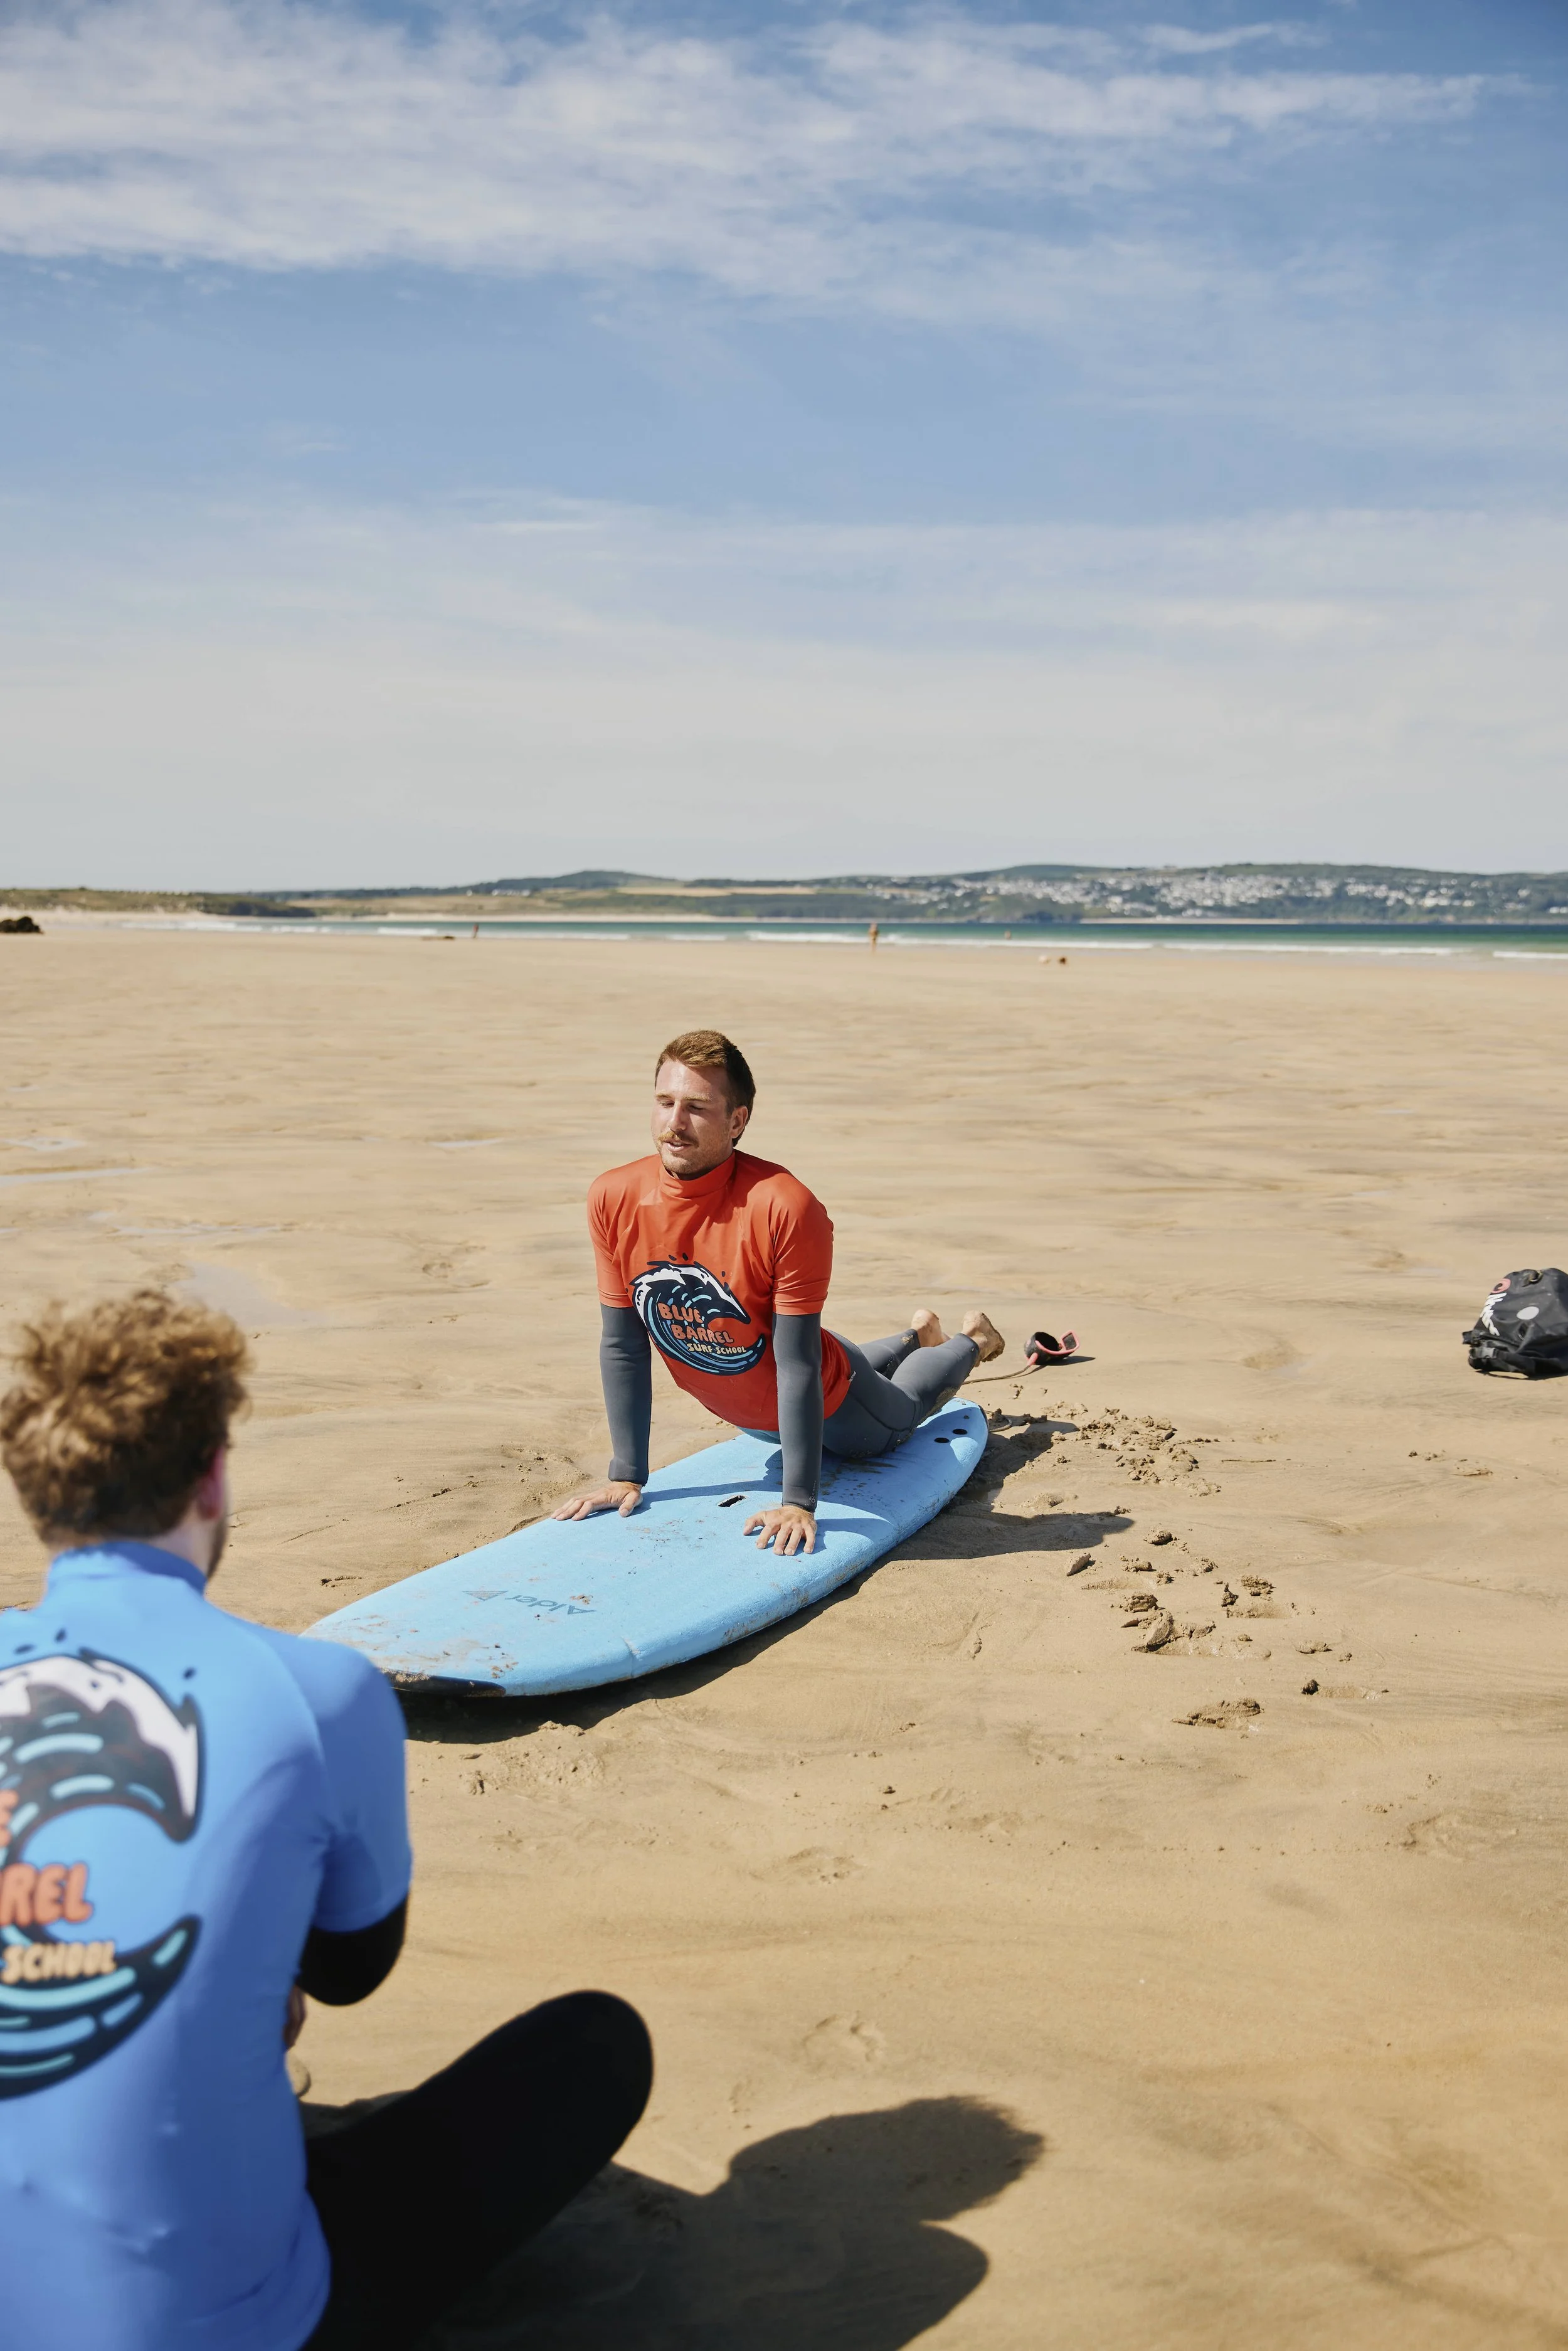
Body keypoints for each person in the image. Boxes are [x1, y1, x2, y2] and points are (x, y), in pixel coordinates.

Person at [0, 1291, 651, 2351]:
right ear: (211, 1475)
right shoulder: (318, 1688)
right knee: (593, 2048)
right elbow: (351, 1969)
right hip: (221, 2325)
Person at [554, 1030, 1004, 1557]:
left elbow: (798, 1366)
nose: (674, 1124)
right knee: (844, 1357)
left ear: (738, 1121)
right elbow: (623, 1345)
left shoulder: (784, 1207)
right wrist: (627, 1475)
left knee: (901, 1413)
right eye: (665, 1102)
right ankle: (916, 1333)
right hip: (762, 1402)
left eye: (697, 1107)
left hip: (829, 1401)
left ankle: (972, 1339)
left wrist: (798, 1502)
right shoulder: (614, 1196)